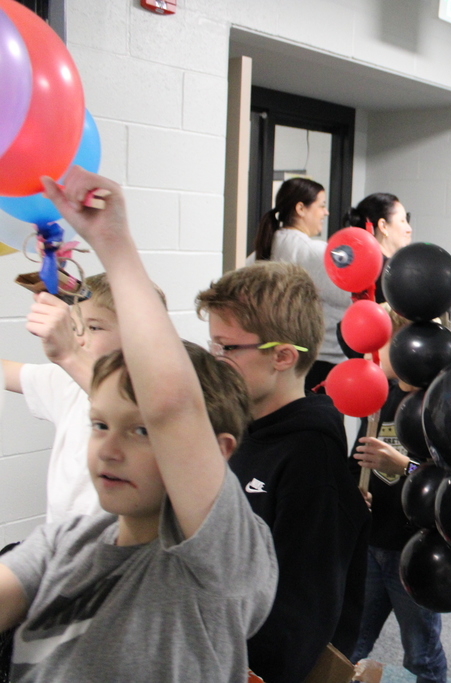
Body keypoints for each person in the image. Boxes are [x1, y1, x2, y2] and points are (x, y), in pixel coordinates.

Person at [0, 168, 277, 680]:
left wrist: (111, 241)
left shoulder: (217, 560)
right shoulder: (67, 542)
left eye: (141, 431)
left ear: (216, 451)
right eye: (100, 425)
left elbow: (172, 406)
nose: (107, 449)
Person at [196, 261, 370, 682]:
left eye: (228, 348)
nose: (216, 360)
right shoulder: (240, 431)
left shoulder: (312, 460)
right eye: (214, 346)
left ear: (283, 356)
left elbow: (299, 621)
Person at [1, 274, 157, 523]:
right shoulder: (65, 382)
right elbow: (7, 372)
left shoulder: (157, 392)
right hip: (60, 545)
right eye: (73, 328)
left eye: (94, 327)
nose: (80, 338)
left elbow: (121, 403)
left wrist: (69, 354)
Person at [348, 306, 448, 683]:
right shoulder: (377, 395)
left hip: (414, 552)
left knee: (421, 655)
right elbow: (355, 461)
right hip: (372, 544)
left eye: (383, 344)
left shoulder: (437, 407)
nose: (373, 353)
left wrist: (401, 465)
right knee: (350, 642)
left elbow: (446, 483)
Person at [253, 177, 350, 390]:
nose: (326, 212)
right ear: (300, 208)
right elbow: (349, 298)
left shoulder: (264, 248)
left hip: (279, 359)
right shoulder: (315, 252)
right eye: (321, 206)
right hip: (321, 361)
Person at [342, 193, 451, 306]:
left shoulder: (360, 267)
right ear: (383, 226)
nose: (409, 229)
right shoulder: (393, 274)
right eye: (402, 221)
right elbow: (434, 321)